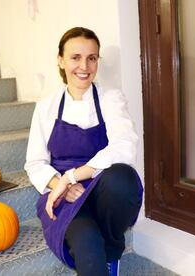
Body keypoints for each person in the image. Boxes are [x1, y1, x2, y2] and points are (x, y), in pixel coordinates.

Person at [25, 27, 143, 276]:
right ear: (60, 60)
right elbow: (35, 162)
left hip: (101, 190)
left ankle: (110, 248)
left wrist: (72, 177)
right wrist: (61, 185)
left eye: (92, 58)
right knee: (87, 244)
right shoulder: (45, 107)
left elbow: (124, 146)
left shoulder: (111, 98)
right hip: (63, 197)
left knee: (123, 178)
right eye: (75, 57)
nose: (84, 66)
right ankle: (101, 250)